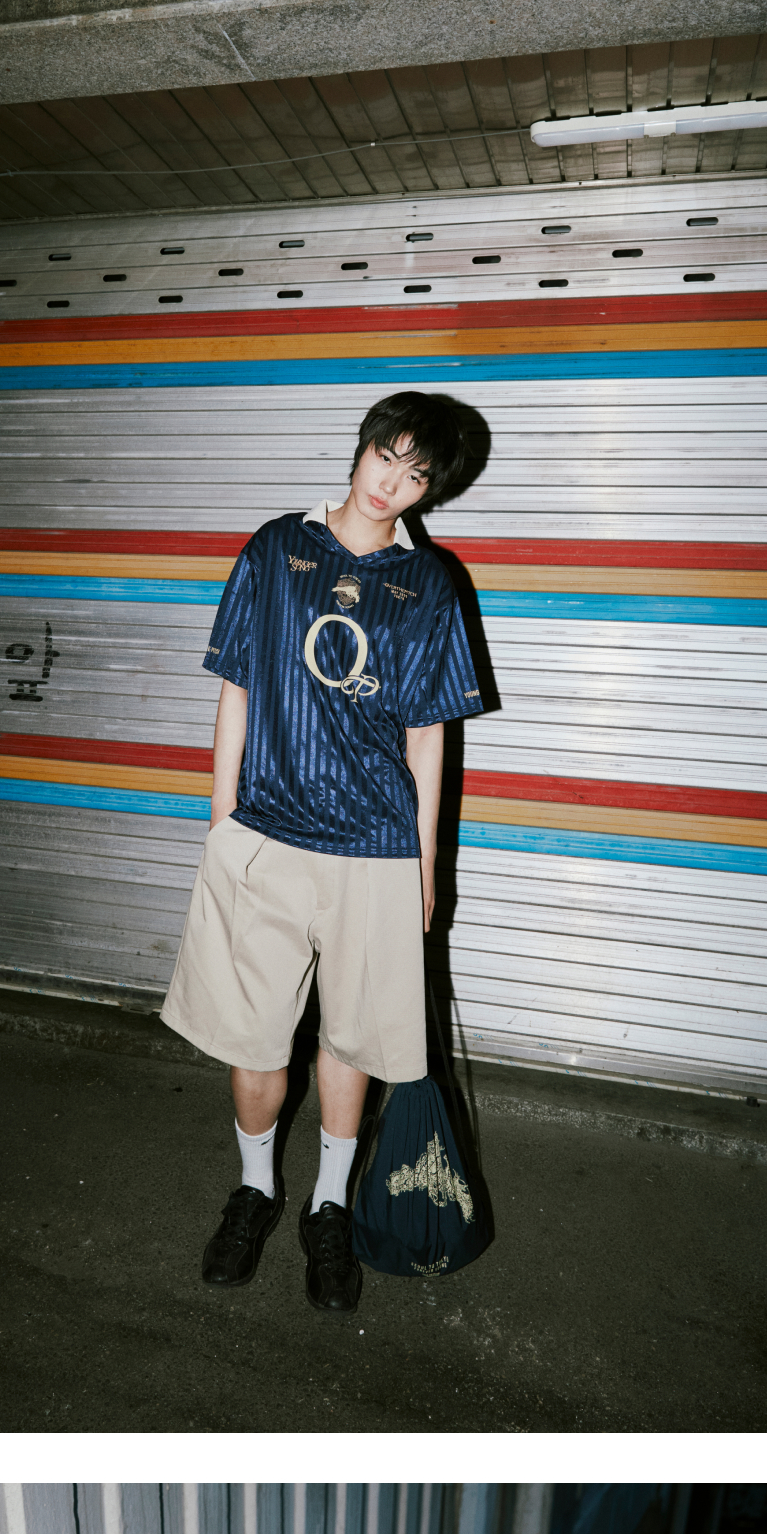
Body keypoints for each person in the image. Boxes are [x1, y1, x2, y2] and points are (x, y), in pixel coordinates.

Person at [162, 394, 488, 1315]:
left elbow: (429, 734)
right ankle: (255, 1190)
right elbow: (236, 685)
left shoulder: (430, 582)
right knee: (253, 1038)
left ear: (431, 490)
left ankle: (329, 1205)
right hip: (267, 833)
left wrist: (426, 866)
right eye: (388, 457)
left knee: (353, 1038)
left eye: (418, 475)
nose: (393, 484)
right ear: (362, 448)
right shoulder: (277, 548)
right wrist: (222, 819)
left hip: (375, 848)